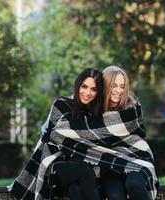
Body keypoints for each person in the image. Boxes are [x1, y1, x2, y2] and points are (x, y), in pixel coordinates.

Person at [8, 68, 103, 200]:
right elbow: (50, 136)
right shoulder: (62, 105)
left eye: (93, 89)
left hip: (81, 168)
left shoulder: (97, 116)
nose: (87, 93)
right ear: (78, 85)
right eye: (84, 86)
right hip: (55, 164)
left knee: (75, 190)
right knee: (85, 173)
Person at [100, 65, 156, 200]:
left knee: (134, 184)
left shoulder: (132, 109)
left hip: (137, 160)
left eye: (122, 86)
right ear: (105, 85)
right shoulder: (95, 112)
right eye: (114, 85)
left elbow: (138, 140)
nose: (119, 90)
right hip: (111, 166)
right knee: (115, 196)